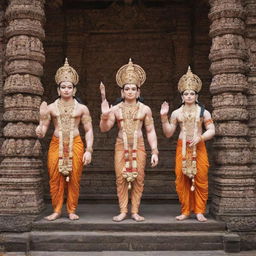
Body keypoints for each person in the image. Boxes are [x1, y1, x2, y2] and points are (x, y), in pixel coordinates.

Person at [99, 58, 158, 222]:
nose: (130, 91)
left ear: (139, 92)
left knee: (139, 178)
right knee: (121, 178)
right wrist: (104, 116)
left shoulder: (145, 109)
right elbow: (105, 128)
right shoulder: (116, 109)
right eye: (127, 89)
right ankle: (123, 210)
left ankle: (135, 211)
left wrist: (154, 151)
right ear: (122, 92)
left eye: (133, 89)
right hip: (121, 145)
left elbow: (151, 131)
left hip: (138, 145)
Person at [35, 58, 93, 221]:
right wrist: (39, 127)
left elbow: (88, 130)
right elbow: (43, 130)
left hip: (75, 143)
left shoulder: (82, 108)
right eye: (63, 87)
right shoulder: (52, 107)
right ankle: (57, 210)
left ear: (74, 90)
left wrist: (89, 150)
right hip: (56, 144)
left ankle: (71, 209)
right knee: (55, 178)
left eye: (69, 87)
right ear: (58, 89)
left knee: (74, 178)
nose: (66, 90)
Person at [160, 67, 215, 222]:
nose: (189, 96)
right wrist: (164, 117)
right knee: (181, 178)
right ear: (182, 96)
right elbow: (169, 133)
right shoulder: (176, 113)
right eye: (186, 94)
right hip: (182, 147)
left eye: (192, 93)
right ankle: (185, 211)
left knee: (201, 178)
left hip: (199, 147)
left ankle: (199, 211)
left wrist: (201, 137)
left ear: (196, 96)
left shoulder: (204, 112)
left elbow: (212, 129)